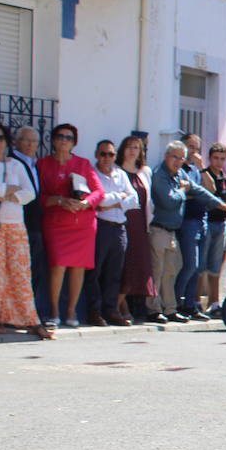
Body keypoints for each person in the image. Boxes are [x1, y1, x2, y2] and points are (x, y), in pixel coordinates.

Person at [148, 141, 226, 323]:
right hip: (159, 229)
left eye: (181, 158)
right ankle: (153, 309)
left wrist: (218, 203)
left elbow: (197, 189)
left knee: (171, 271)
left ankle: (170, 309)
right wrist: (183, 191)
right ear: (166, 156)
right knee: (157, 271)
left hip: (172, 231)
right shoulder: (159, 175)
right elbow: (169, 200)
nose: (177, 161)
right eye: (174, 157)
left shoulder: (179, 173)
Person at [38, 124, 103, 328]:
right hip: (57, 221)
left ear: (74, 142)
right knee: (57, 265)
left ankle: (71, 310)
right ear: (54, 140)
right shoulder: (42, 164)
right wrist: (58, 200)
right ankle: (54, 311)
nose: (64, 140)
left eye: (68, 137)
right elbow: (38, 196)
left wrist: (86, 203)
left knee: (78, 268)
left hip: (82, 223)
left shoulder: (83, 164)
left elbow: (98, 192)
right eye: (60, 136)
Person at [0, 122, 49, 339]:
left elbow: (30, 193)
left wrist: (8, 195)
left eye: (1, 138)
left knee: (20, 274)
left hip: (16, 225)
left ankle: (27, 318)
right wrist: (6, 190)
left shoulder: (15, 165)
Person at [89, 139, 138, 326]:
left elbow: (134, 200)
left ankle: (111, 310)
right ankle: (94, 310)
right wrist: (119, 198)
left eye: (110, 154)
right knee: (96, 271)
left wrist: (114, 202)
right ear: (96, 154)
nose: (106, 158)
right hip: (100, 226)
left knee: (114, 272)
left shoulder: (120, 174)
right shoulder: (92, 174)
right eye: (103, 154)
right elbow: (99, 201)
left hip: (119, 228)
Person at [116, 135, 155, 322]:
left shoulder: (144, 172)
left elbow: (148, 201)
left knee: (138, 265)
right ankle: (119, 305)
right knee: (124, 265)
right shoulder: (116, 171)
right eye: (129, 147)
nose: (132, 151)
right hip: (123, 221)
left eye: (136, 148)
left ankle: (132, 305)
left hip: (140, 223)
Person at [173, 140, 213, 320]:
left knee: (198, 268)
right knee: (189, 265)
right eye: (190, 146)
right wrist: (196, 192)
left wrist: (202, 168)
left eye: (197, 148)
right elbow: (189, 192)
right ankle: (177, 303)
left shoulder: (197, 169)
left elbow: (210, 189)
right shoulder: (180, 170)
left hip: (202, 219)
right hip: (187, 220)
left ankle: (191, 305)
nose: (193, 151)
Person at [200, 143, 226, 318]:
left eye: (222, 159)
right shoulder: (203, 175)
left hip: (221, 223)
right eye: (215, 158)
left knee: (216, 265)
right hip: (206, 221)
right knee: (201, 264)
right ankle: (197, 301)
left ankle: (214, 302)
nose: (219, 162)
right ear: (210, 158)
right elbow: (210, 190)